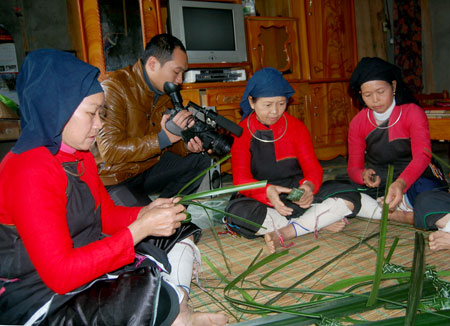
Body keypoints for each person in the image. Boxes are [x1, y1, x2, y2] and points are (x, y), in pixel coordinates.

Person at [0, 49, 228, 326]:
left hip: (85, 259)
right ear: (55, 109)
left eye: (100, 113)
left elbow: (105, 216)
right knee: (148, 299)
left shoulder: (79, 153)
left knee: (178, 232)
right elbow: (61, 275)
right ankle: (177, 308)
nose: (99, 124)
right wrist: (139, 229)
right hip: (39, 291)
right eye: (91, 113)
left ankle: (177, 307)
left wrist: (145, 213)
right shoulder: (28, 170)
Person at [225, 68, 361, 254]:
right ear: (251, 101)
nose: (275, 111)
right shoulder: (241, 132)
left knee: (350, 194)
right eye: (267, 105)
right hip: (261, 197)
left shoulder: (296, 127)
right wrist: (266, 191)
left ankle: (289, 230)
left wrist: (307, 188)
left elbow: (313, 169)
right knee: (239, 215)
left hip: (294, 193)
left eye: (281, 104)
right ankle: (315, 222)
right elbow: (241, 180)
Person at [93, 33, 211, 206]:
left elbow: (170, 142)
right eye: (177, 72)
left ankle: (169, 210)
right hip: (116, 179)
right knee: (145, 230)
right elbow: (110, 151)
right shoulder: (114, 88)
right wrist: (164, 138)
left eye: (183, 74)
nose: (180, 80)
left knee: (200, 159)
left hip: (146, 170)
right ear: (153, 64)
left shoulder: (166, 92)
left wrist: (186, 147)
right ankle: (157, 218)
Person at [347, 57, 447, 223]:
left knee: (429, 194)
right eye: (367, 95)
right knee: (336, 192)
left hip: (415, 177)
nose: (375, 100)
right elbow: (353, 168)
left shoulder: (412, 112)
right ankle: (408, 212)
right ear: (360, 95)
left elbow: (422, 157)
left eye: (381, 92)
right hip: (381, 180)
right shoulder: (358, 123)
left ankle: (395, 213)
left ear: (393, 86)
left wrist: (401, 183)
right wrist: (363, 175)